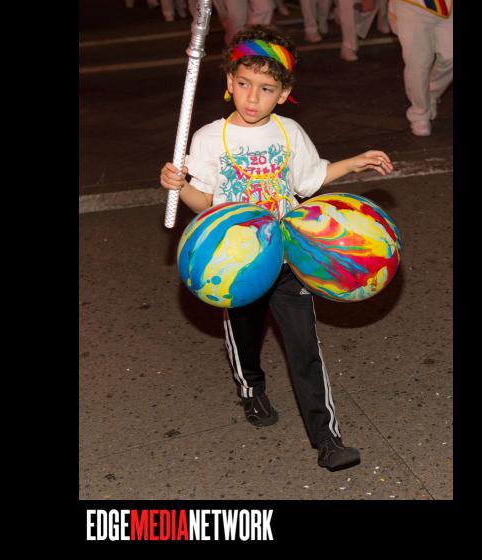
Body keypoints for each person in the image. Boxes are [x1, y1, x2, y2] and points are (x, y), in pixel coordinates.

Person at [160, 25, 393, 471]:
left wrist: (353, 163)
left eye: (266, 89)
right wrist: (180, 184)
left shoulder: (289, 133)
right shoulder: (210, 138)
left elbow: (310, 181)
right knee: (245, 338)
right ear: (229, 82)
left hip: (287, 257)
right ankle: (251, 387)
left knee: (305, 347)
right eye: (244, 83)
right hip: (237, 264)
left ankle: (327, 439)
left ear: (284, 93)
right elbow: (204, 204)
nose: (252, 97)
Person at [388, 0, 453, 136]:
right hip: (413, 6)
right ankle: (419, 113)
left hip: (448, 6)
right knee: (418, 64)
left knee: (450, 57)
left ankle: (431, 94)